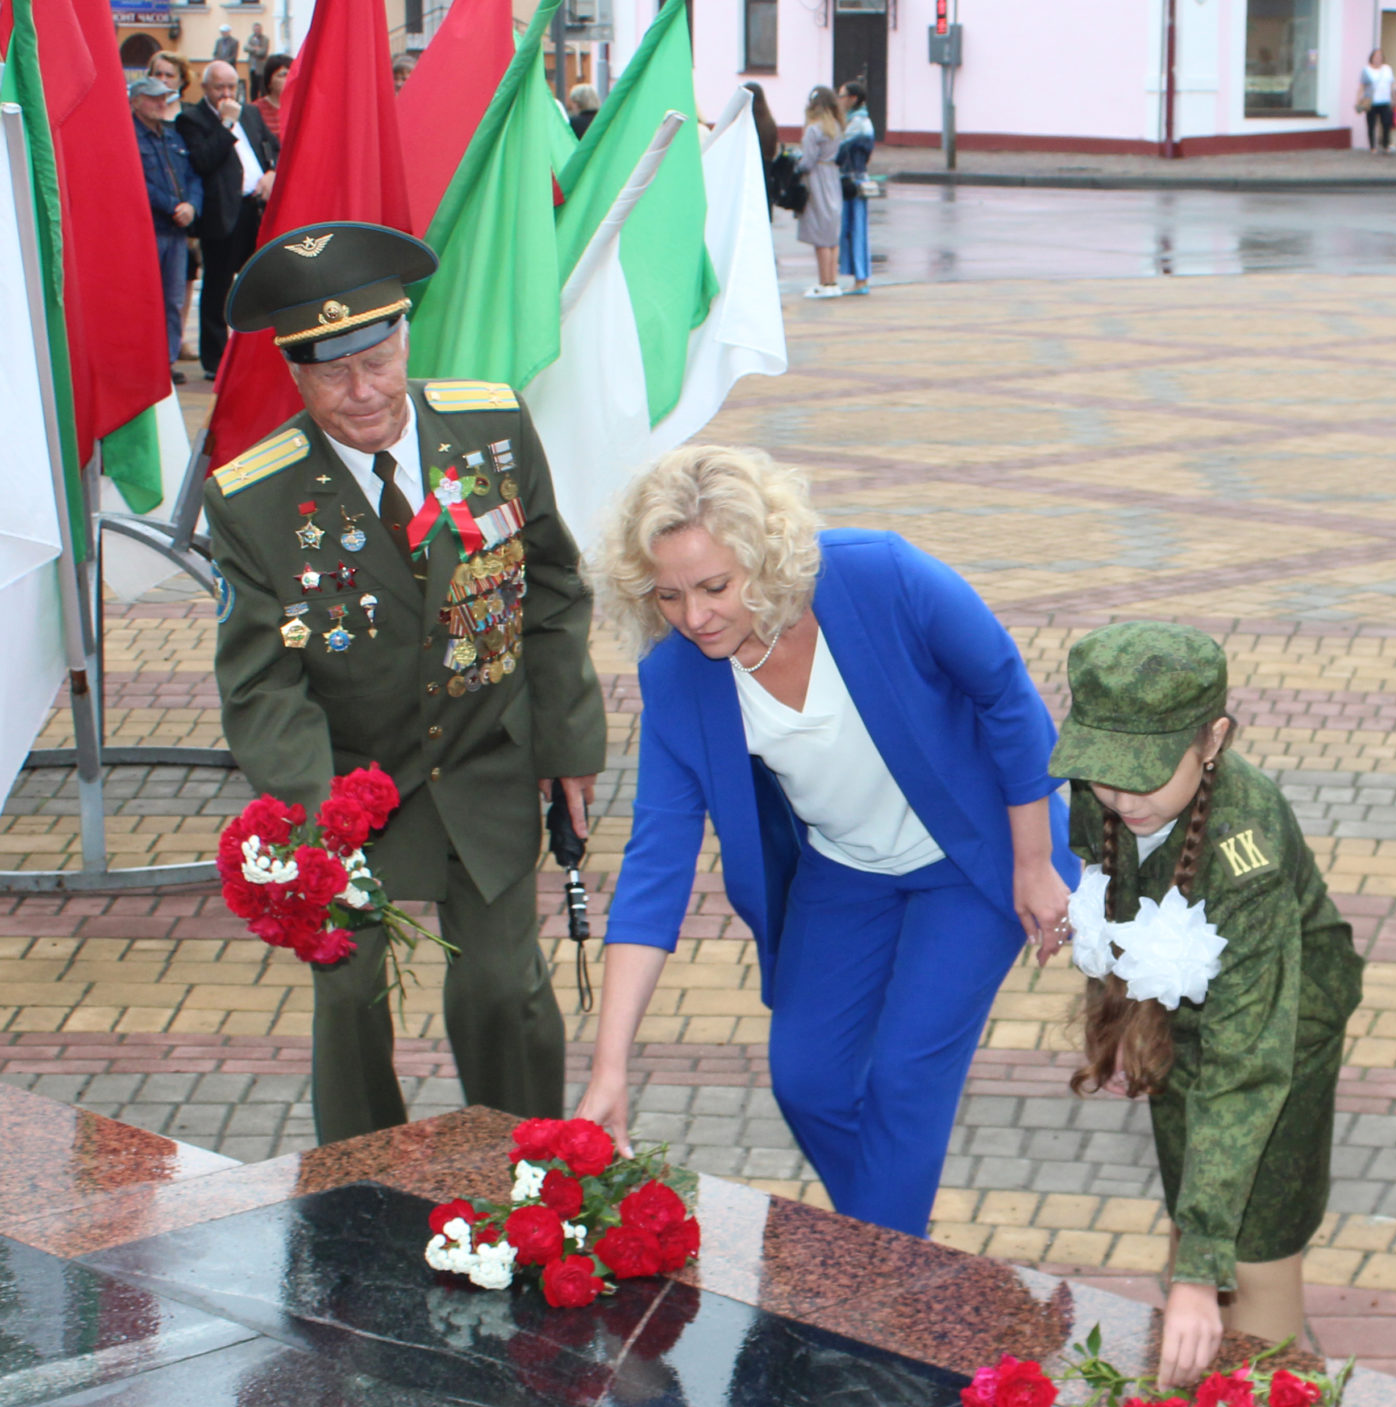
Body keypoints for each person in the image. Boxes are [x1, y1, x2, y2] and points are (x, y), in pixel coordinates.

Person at [575, 445, 1077, 1239]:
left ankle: (880, 1300)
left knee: (906, 1077)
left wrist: (1035, 864)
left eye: (716, 586)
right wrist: (609, 1067)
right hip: (846, 871)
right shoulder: (677, 677)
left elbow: (1008, 696)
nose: (695, 616)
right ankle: (892, 1258)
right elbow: (654, 865)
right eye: (668, 595)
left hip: (975, 858)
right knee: (808, 1080)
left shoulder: (882, 576)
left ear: (766, 557)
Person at [209, 222, 608, 1144]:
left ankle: (525, 1167)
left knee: (502, 989)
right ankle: (358, 1185)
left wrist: (566, 744)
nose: (363, 394)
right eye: (330, 373)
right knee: (349, 994)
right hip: (350, 780)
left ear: (403, 337)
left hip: (482, 758)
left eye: (377, 359)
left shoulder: (491, 426)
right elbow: (262, 686)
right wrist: (318, 819)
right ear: (295, 374)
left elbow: (550, 585)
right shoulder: (255, 496)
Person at [1051, 623, 1363, 1387]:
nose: (1120, 798)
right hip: (1177, 1022)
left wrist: (1197, 1271)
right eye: (1105, 773)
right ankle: (1196, 1402)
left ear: (1213, 738)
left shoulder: (1244, 845)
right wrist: (1119, 1020)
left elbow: (1248, 1065)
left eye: (1146, 773)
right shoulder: (1107, 794)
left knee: (1255, 1254)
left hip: (1281, 1033)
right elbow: (1116, 892)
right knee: (1195, 1195)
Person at [178, 59, 279, 381]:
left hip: (255, 208)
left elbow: (272, 148)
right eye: (219, 87)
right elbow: (203, 160)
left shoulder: (249, 112)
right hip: (222, 212)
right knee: (218, 288)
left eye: (231, 86)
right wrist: (225, 125)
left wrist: (271, 172)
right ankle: (216, 359)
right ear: (206, 88)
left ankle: (258, 350)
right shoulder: (192, 118)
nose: (226, 93)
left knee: (260, 283)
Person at [131, 74, 201, 380]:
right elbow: (137, 183)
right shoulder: (130, 136)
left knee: (173, 298)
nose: (162, 104)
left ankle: (168, 361)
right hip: (151, 228)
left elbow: (193, 177)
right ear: (136, 101)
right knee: (145, 299)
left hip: (176, 230)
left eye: (164, 98)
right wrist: (172, 206)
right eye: (154, 98)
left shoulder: (172, 136)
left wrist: (192, 206)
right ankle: (146, 360)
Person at [796, 87, 844, 298]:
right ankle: (832, 281)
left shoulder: (813, 130)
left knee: (819, 236)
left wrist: (794, 165)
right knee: (831, 236)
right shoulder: (836, 127)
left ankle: (823, 282)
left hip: (817, 181)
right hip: (833, 178)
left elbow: (807, 162)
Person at [836, 80, 874, 297]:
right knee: (853, 228)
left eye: (842, 96)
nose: (839, 100)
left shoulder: (857, 123)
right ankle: (859, 278)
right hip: (855, 179)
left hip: (853, 182)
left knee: (856, 229)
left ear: (852, 99)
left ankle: (861, 279)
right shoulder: (859, 120)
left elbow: (840, 151)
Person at [1356, 50, 1395, 153]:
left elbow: (1391, 85)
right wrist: (1358, 100)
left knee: (1386, 123)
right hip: (1371, 101)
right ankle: (1372, 146)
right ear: (1371, 58)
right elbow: (1362, 86)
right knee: (1371, 124)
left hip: (1385, 101)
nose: (1378, 59)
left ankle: (1386, 144)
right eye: (1376, 56)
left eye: (1380, 56)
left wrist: (1394, 98)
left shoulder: (1387, 69)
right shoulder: (1366, 70)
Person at [256, 55, 292, 138]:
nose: (289, 79)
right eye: (283, 75)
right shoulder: (256, 111)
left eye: (292, 74)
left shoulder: (302, 108)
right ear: (269, 81)